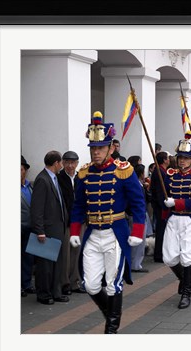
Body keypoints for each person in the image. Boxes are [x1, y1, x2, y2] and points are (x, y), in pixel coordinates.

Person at [69, 111, 146, 334]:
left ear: (111, 148)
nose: (96, 152)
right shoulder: (84, 173)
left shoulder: (124, 171)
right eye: (93, 148)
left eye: (100, 148)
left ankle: (111, 328)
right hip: (93, 233)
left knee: (113, 283)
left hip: (115, 233)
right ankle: (110, 312)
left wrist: (138, 231)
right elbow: (78, 206)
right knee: (91, 284)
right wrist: (75, 230)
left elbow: (138, 203)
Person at [162, 131, 191, 308]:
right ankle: (184, 279)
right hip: (173, 220)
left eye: (186, 158)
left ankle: (187, 292)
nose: (182, 161)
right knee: (170, 258)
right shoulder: (170, 175)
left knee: (187, 258)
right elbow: (163, 195)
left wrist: (176, 202)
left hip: (189, 220)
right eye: (180, 157)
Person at [30, 150, 69, 305]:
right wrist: (39, 230)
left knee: (56, 264)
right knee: (45, 266)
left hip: (57, 228)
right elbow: (37, 208)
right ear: (56, 163)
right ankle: (44, 294)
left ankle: (55, 292)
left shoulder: (54, 178)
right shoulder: (42, 179)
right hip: (47, 229)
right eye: (61, 163)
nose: (62, 165)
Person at [57, 150, 86, 295]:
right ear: (62, 163)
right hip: (67, 222)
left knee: (77, 252)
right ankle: (65, 283)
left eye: (72, 162)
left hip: (79, 221)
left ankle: (75, 281)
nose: (69, 165)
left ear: (77, 163)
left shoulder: (80, 178)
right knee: (66, 255)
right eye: (67, 162)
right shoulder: (59, 178)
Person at [127, 163, 150, 273]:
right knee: (138, 241)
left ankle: (135, 263)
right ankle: (135, 264)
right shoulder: (136, 185)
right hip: (136, 215)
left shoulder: (139, 184)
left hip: (137, 214)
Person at [150, 151, 170, 263]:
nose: (169, 160)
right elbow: (159, 192)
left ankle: (162, 252)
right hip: (160, 205)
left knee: (163, 229)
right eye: (167, 158)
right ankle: (159, 254)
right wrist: (164, 205)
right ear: (164, 160)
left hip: (161, 204)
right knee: (161, 229)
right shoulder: (159, 172)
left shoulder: (162, 171)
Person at [21, 155, 36, 297]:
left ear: (25, 170)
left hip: (30, 227)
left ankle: (26, 283)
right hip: (18, 226)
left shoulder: (30, 186)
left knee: (28, 257)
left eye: (20, 169)